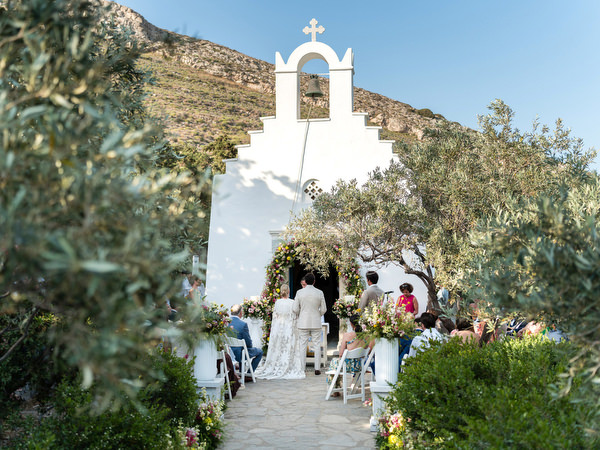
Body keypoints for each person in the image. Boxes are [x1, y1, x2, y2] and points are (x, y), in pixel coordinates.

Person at [254, 284, 305, 379]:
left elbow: (275, 318)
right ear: (289, 291)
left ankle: (277, 364)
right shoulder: (292, 302)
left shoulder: (277, 302)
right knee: (288, 348)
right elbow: (295, 317)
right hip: (289, 328)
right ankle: (287, 365)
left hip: (279, 329)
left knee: (279, 347)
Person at [293, 272, 327, 375]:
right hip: (316, 322)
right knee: (317, 345)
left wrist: (301, 314)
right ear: (314, 281)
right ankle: (317, 369)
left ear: (305, 282)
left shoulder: (299, 293)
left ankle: (302, 369)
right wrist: (318, 314)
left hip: (303, 322)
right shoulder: (319, 292)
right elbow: (324, 309)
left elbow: (295, 309)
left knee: (302, 345)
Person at [326, 316, 369, 395]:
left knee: (334, 363)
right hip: (359, 365)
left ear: (351, 324)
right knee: (337, 364)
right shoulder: (366, 336)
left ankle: (336, 389)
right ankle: (337, 388)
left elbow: (341, 354)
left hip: (349, 366)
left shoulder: (347, 335)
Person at [230, 304, 263, 373]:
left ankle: (242, 372)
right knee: (259, 352)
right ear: (240, 313)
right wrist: (250, 347)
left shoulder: (225, 323)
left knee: (242, 348)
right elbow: (248, 342)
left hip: (228, 353)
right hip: (239, 355)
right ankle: (249, 374)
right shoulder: (243, 324)